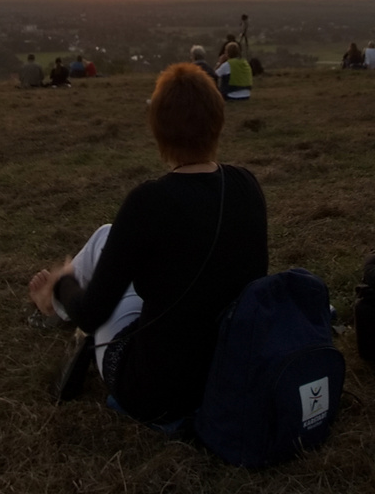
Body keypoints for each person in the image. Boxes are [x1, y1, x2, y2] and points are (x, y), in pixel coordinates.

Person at [27, 63, 268, 424]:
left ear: (157, 130)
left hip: (157, 392)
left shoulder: (149, 202)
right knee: (108, 235)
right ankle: (58, 303)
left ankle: (55, 300)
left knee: (101, 247)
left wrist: (64, 281)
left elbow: (93, 315)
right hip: (225, 371)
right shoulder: (246, 184)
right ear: (218, 121)